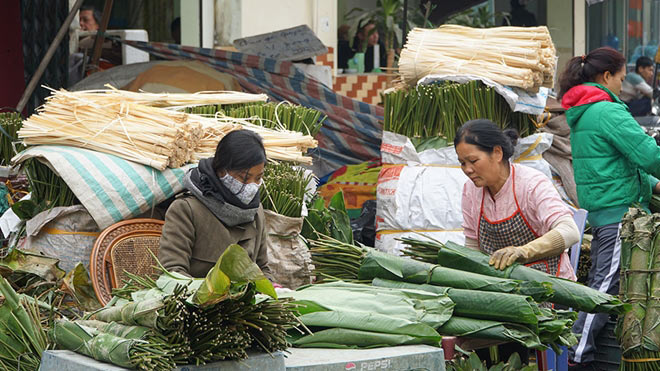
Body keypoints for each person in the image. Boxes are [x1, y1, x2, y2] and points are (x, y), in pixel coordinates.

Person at [558, 46, 660, 370]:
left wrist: (651, 183)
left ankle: (577, 350)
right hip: (618, 210)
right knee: (605, 285)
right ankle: (576, 353)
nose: (621, 85)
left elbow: (619, 160)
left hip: (603, 206)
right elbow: (646, 152)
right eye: (619, 77)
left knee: (603, 281)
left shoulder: (585, 111)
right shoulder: (607, 111)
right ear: (606, 76)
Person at [455, 119, 580, 364]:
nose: (468, 169)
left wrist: (522, 252)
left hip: (547, 292)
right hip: (503, 294)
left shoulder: (531, 184)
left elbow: (570, 231)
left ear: (497, 153)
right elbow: (472, 246)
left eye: (473, 161)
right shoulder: (471, 191)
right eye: (462, 163)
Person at [158, 130, 272, 279]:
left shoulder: (256, 211)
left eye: (258, 178)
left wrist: (269, 290)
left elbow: (262, 268)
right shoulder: (186, 210)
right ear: (221, 171)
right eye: (244, 178)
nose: (252, 186)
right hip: (195, 300)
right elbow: (171, 272)